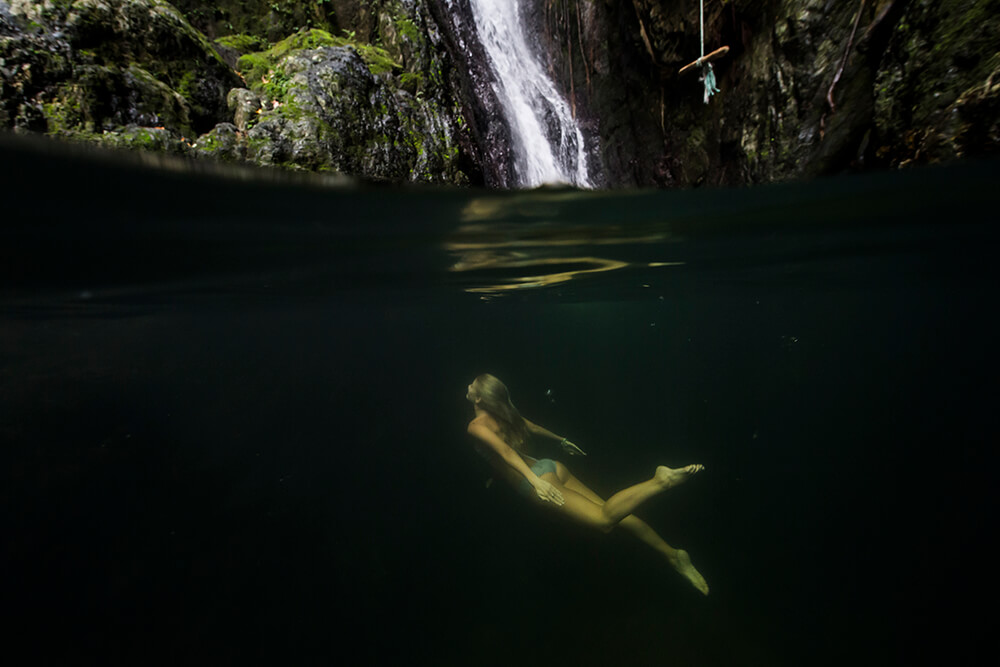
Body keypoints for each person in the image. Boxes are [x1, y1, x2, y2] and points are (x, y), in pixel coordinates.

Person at [466, 373, 709, 595]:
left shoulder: (475, 426)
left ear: (478, 398)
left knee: (604, 521)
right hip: (551, 467)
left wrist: (534, 482)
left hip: (537, 481)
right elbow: (532, 427)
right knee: (616, 514)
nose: (467, 386)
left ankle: (660, 481)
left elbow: (506, 452)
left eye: (471, 385)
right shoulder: (505, 414)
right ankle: (673, 556)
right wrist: (562, 440)